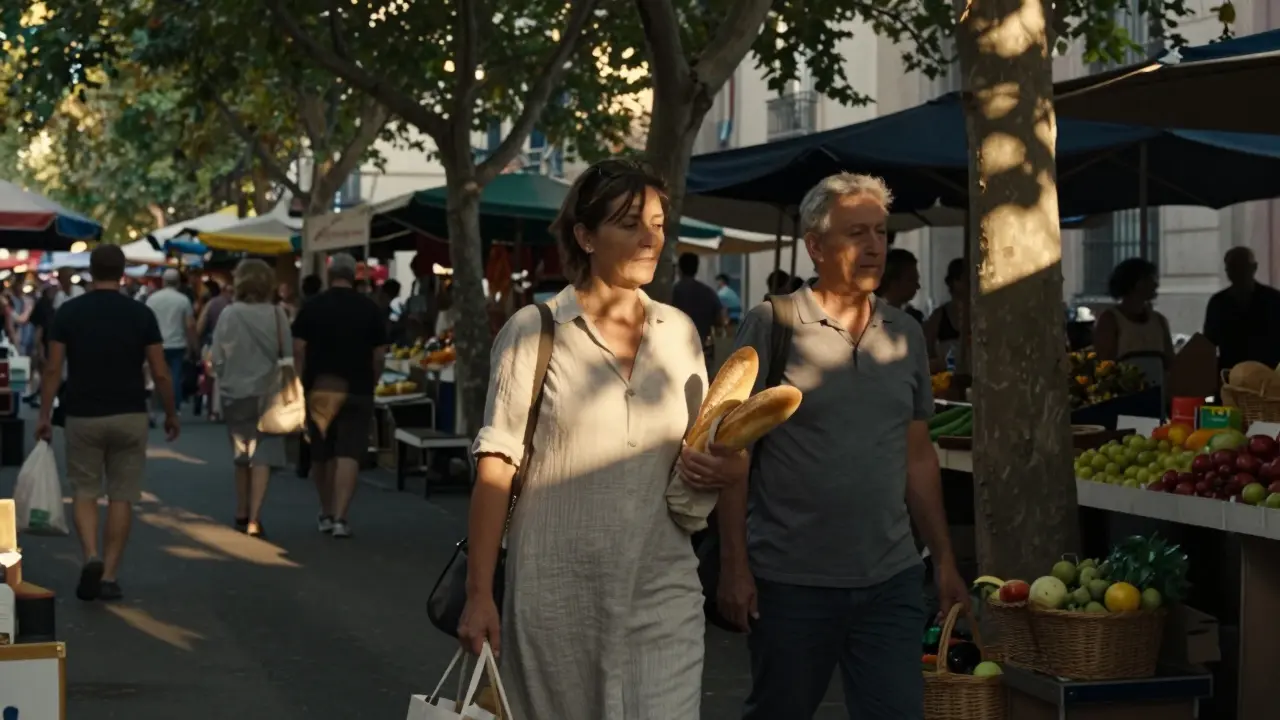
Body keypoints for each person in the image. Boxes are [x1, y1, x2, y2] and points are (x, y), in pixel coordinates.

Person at [456, 158, 748, 719]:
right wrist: (479, 593)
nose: (650, 238)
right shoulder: (534, 331)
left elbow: (719, 453)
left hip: (663, 588)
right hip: (556, 592)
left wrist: (724, 474)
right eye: (630, 222)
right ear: (585, 236)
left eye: (659, 223)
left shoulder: (680, 333)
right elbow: (496, 467)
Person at [717, 173, 964, 720]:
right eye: (857, 233)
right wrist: (734, 564)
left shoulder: (904, 334)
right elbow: (734, 451)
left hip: (892, 581)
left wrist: (944, 558)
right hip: (790, 582)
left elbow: (917, 454)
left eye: (881, 232)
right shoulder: (772, 323)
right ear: (816, 245)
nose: (875, 246)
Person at [36, 245, 179, 602]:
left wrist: (43, 415)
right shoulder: (141, 314)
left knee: (84, 490)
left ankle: (91, 556)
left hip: (82, 413)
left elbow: (53, 368)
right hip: (129, 412)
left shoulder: (69, 312)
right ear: (122, 272)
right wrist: (172, 413)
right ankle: (111, 576)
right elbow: (160, 372)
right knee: (122, 494)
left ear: (91, 269)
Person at [291, 253, 388, 539]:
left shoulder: (312, 306)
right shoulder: (369, 308)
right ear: (354, 276)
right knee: (349, 452)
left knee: (321, 453)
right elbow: (380, 353)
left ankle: (325, 510)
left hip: (319, 388)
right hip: (358, 387)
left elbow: (298, 348)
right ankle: (340, 517)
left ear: (330, 276)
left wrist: (301, 380)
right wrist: (374, 379)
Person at [211, 260, 291, 538]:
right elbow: (288, 354)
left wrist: (225, 376)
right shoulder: (277, 314)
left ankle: (241, 510)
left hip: (236, 392)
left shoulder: (229, 314)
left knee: (241, 453)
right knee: (263, 456)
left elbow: (217, 356)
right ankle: (255, 518)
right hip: (269, 392)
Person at [1093, 258, 1173, 386]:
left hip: (1156, 397)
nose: (1156, 284)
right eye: (1150, 278)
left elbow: (1170, 363)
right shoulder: (1111, 320)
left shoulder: (1159, 321)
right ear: (1136, 283)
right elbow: (1104, 365)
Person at [1204, 246, 1280, 372]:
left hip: (1265, 375)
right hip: (1233, 374)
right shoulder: (1218, 303)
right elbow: (1208, 343)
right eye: (1233, 267)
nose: (1238, 272)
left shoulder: (1274, 300)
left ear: (1254, 268)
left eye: (1241, 267)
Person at [146, 269, 197, 410]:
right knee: (175, 375)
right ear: (178, 283)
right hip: (177, 343)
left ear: (163, 281)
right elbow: (190, 325)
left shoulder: (152, 299)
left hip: (156, 343)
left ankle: (156, 404)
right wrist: (193, 346)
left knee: (156, 374)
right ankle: (174, 405)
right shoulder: (183, 300)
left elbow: (147, 322)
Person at [672, 252, 724, 373]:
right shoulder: (708, 292)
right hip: (701, 351)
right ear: (696, 268)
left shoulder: (672, 293)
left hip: (676, 351)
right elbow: (720, 321)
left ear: (679, 269)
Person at [924, 257, 967, 372]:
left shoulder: (979, 313)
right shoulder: (939, 316)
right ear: (953, 281)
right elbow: (927, 350)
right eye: (963, 279)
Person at [876, 247, 925, 323]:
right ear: (893, 282)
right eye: (911, 280)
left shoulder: (913, 316)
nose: (918, 286)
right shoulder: (872, 316)